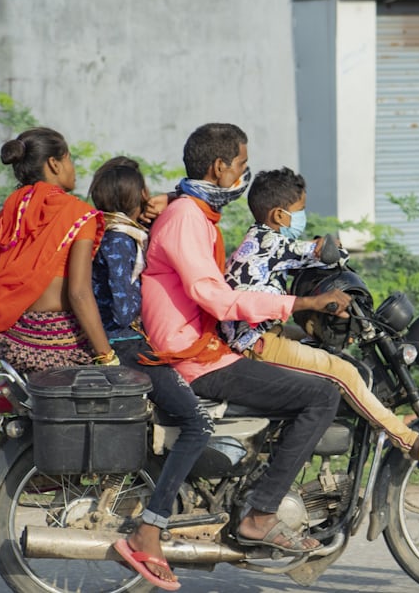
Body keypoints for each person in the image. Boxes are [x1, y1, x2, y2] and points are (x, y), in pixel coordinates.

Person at [139, 123, 349, 554]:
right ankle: (261, 515)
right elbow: (215, 298)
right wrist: (302, 304)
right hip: (194, 357)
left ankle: (256, 489)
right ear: (219, 168)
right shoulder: (186, 217)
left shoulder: (192, 212)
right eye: (240, 165)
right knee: (322, 396)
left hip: (203, 347)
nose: (243, 175)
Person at [222, 167, 419, 465]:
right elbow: (327, 254)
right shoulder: (270, 242)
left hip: (257, 334)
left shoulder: (258, 241)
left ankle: (382, 418)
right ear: (279, 215)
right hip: (257, 343)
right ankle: (407, 440)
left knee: (327, 349)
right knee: (343, 372)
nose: (301, 217)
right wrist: (330, 247)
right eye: (299, 210)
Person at [90, 157, 209, 591]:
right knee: (197, 424)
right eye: (143, 192)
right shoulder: (120, 240)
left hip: (124, 343)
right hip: (125, 345)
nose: (148, 198)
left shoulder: (111, 230)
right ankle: (151, 527)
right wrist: (158, 293)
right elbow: (124, 307)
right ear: (133, 197)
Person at [0, 127, 117, 373]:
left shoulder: (10, 213)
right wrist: (107, 357)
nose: (73, 169)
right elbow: (79, 294)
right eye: (70, 159)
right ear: (54, 164)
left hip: (12, 343)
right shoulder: (78, 214)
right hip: (59, 346)